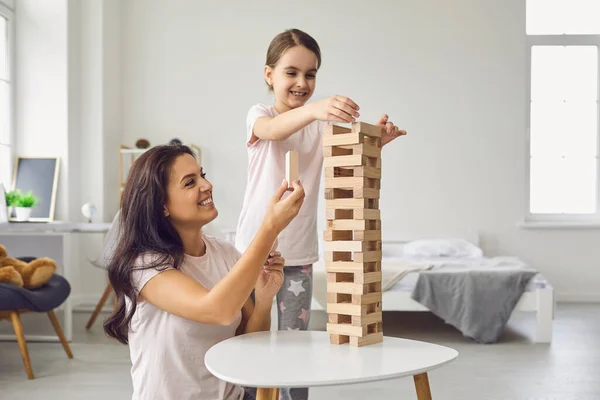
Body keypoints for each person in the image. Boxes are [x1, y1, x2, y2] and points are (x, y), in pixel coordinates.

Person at [235, 29, 407, 400]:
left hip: (297, 255)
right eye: (291, 73)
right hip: (253, 251)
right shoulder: (260, 115)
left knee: (297, 344)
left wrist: (375, 140)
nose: (301, 82)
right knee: (250, 337)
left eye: (310, 74)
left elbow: (347, 159)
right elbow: (271, 130)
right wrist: (313, 108)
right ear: (269, 75)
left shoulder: (321, 128)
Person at [104, 144, 305, 400]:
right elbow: (216, 310)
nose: (206, 185)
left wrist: (264, 300)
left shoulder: (225, 253)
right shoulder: (144, 266)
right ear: (161, 205)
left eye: (203, 175)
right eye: (190, 182)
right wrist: (270, 227)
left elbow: (248, 345)